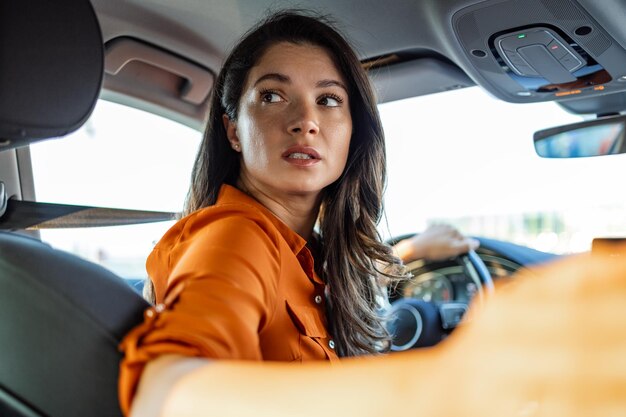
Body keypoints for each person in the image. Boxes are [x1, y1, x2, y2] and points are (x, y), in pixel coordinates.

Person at [119, 10, 626, 417]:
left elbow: (340, 280)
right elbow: (165, 394)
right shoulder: (234, 237)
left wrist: (412, 251)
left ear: (351, 132)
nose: (305, 121)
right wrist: (460, 383)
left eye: (329, 100)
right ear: (233, 131)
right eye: (272, 96)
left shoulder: (305, 252)